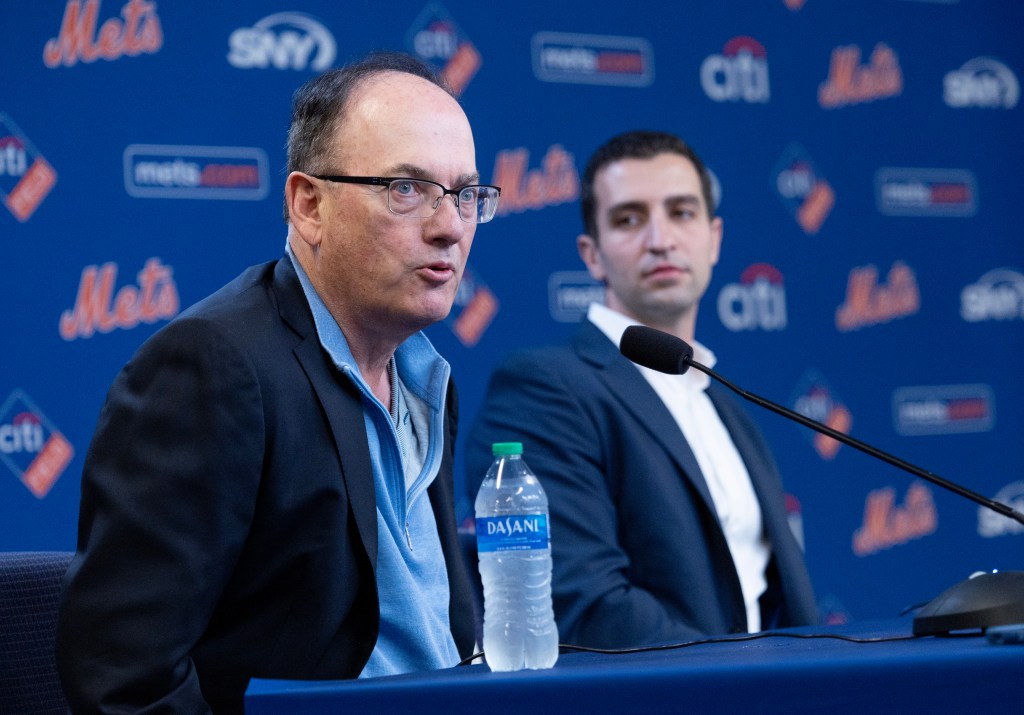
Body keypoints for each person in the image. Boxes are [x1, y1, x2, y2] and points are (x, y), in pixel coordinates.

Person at [57, 51, 501, 713]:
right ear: (309, 205)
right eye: (405, 189)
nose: (447, 227)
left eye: (464, 194)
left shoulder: (425, 377)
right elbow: (124, 678)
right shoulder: (213, 366)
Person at [465, 130, 816, 649]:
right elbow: (585, 605)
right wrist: (748, 691)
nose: (661, 240)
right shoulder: (544, 388)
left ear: (715, 238)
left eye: (682, 213)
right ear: (592, 254)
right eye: (629, 219)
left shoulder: (723, 401)